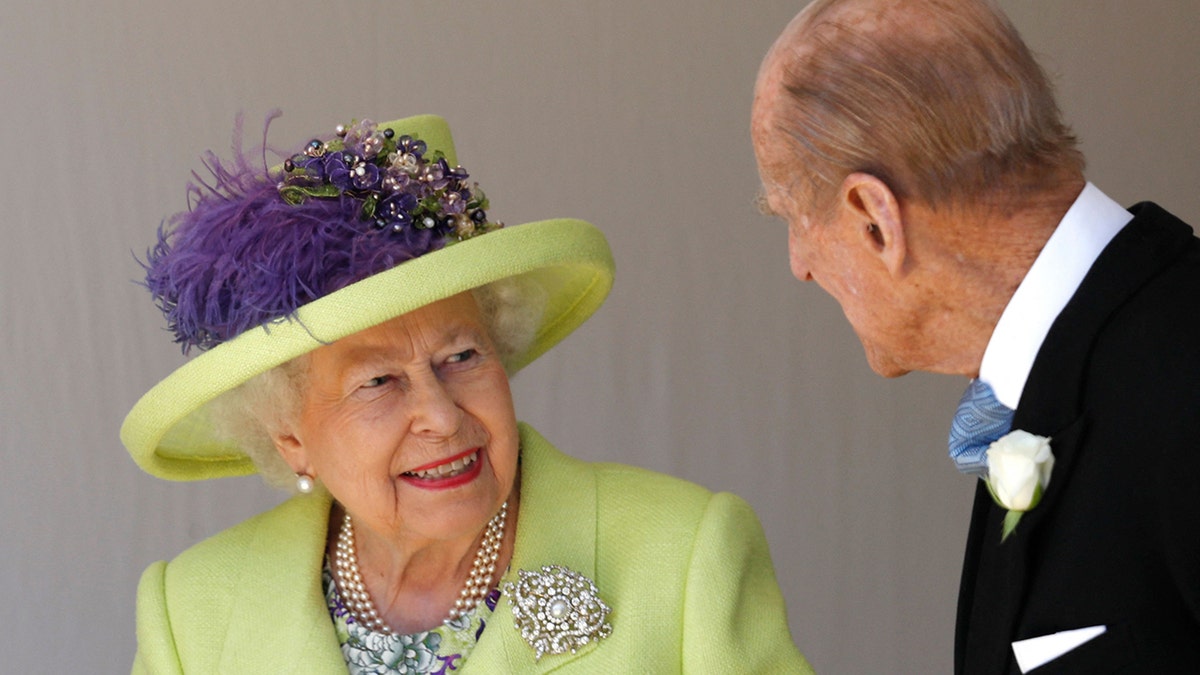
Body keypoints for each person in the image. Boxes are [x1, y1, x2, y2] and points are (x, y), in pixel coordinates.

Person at [124, 113, 813, 673]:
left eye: (460, 355)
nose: (441, 415)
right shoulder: (193, 614)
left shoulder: (685, 557)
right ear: (291, 438)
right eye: (379, 381)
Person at [751, 0, 1200, 673]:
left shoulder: (1184, 374)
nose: (797, 264)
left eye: (792, 214)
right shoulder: (1060, 382)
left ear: (875, 218)